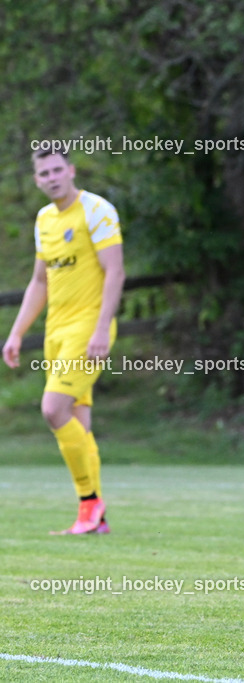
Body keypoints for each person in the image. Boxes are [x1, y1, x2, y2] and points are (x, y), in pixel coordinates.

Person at [3, 144, 125, 535]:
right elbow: (40, 281)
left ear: (71, 170)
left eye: (58, 169)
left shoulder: (97, 210)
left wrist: (102, 328)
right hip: (57, 332)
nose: (52, 177)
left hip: (88, 329)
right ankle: (95, 519)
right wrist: (17, 332)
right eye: (44, 173)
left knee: (53, 410)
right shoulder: (43, 219)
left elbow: (115, 272)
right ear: (37, 179)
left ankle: (90, 501)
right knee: (79, 424)